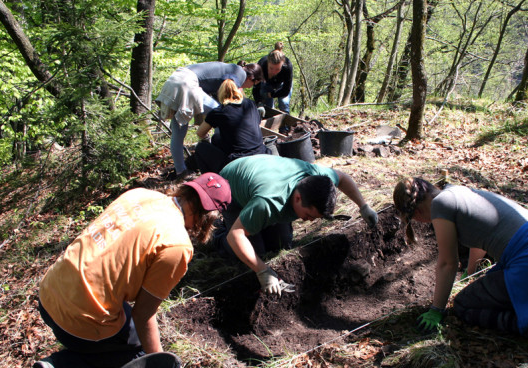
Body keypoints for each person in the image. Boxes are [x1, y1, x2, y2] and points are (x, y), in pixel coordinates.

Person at [34, 173, 231, 368]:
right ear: (207, 217)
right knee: (138, 351)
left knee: (126, 328)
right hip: (77, 320)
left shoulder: (141, 195)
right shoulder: (177, 244)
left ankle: (83, 348)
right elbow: (143, 315)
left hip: (49, 294)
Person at [392, 177, 528, 345]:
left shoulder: (440, 205)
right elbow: (477, 238)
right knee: (496, 279)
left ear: (416, 213)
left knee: (463, 305)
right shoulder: (458, 191)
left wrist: (437, 310)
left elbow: (447, 263)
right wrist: (471, 272)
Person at [216, 155, 378, 295]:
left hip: (264, 174)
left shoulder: (319, 179)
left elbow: (342, 178)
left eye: (315, 218)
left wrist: (363, 207)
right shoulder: (270, 201)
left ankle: (254, 223)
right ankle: (218, 236)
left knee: (281, 243)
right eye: (308, 215)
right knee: (254, 251)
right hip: (231, 187)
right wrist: (262, 270)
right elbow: (236, 235)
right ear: (298, 198)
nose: (310, 221)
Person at [155, 62, 264, 179]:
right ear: (251, 78)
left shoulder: (230, 69)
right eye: (252, 84)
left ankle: (181, 172)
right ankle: (222, 154)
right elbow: (230, 104)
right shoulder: (240, 73)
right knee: (222, 114)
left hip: (174, 80)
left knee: (178, 133)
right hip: (188, 83)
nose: (249, 87)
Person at [191, 79, 269, 174]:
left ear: (220, 94)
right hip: (260, 152)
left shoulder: (219, 111)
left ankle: (212, 180)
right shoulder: (250, 104)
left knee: (200, 148)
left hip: (238, 160)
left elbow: (200, 133)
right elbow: (257, 123)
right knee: (216, 138)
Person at [252, 42, 293, 113]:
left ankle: (286, 123)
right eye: (271, 68)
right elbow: (256, 88)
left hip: (282, 85)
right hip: (266, 83)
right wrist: (259, 102)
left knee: (284, 104)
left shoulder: (287, 66)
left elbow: (286, 90)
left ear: (282, 65)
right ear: (267, 63)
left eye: (277, 69)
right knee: (267, 109)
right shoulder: (261, 65)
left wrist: (271, 94)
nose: (274, 72)